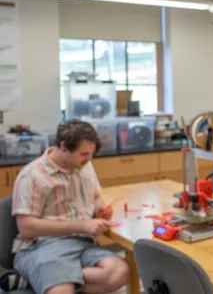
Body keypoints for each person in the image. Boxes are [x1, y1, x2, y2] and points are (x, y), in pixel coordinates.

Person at [9, 120, 129, 294]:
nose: (89, 159)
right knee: (61, 291)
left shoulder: (85, 165)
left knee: (119, 272)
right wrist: (82, 225)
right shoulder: (32, 175)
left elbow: (95, 197)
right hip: (42, 245)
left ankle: (37, 280)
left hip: (82, 243)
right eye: (84, 154)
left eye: (91, 154)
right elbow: (27, 228)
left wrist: (99, 209)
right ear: (64, 146)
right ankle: (49, 279)